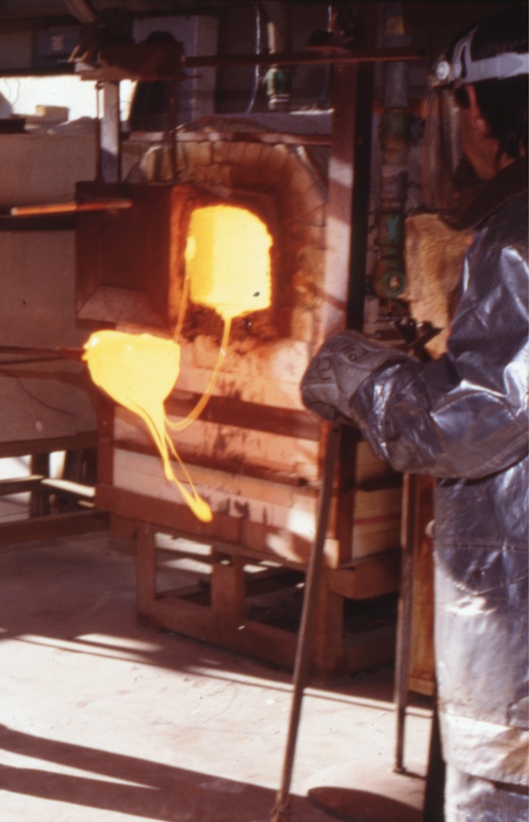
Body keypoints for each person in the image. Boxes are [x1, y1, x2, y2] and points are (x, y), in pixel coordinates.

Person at [300, 9, 527, 820]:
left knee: (500, 789)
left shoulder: (517, 235)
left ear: (476, 108)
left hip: (522, 607)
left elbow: (473, 420)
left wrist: (355, 372)